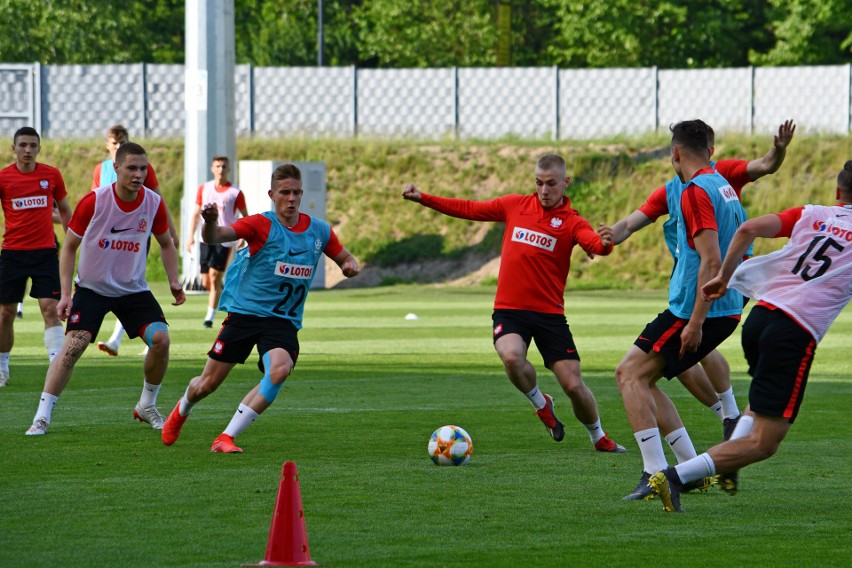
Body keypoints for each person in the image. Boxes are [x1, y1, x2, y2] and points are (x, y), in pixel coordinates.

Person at [648, 160, 852, 513]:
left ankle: (728, 465)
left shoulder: (814, 212)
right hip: (794, 332)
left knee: (758, 408)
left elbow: (748, 230)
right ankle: (675, 477)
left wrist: (725, 279)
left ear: (838, 193)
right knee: (766, 442)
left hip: (760, 318)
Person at [608, 120, 795, 498]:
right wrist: (610, 235)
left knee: (629, 374)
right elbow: (634, 221)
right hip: (721, 304)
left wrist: (693, 322)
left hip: (697, 306)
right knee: (643, 378)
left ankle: (658, 471)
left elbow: (710, 263)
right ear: (706, 150)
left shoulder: (699, 189)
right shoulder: (720, 186)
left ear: (675, 153)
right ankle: (688, 468)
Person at [402, 154, 627, 453]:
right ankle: (541, 403)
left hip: (550, 315)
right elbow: (471, 209)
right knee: (510, 356)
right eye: (538, 183)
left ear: (565, 182)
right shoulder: (515, 205)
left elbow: (593, 244)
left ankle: (598, 436)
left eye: (551, 183)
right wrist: (424, 199)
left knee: (573, 385)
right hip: (511, 310)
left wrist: (606, 243)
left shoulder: (572, 222)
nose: (544, 190)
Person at [161, 163, 359, 453]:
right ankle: (181, 410)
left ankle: (225, 437)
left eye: (296, 193)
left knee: (279, 371)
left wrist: (349, 265)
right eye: (284, 193)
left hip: (282, 321)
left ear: (302, 194)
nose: (291, 198)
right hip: (245, 315)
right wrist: (212, 222)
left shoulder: (319, 231)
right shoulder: (259, 224)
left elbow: (344, 257)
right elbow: (214, 237)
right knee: (207, 384)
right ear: (272, 194)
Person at [25, 142, 185, 435]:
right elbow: (70, 247)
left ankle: (146, 405)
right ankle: (42, 416)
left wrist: (174, 279)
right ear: (117, 168)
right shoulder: (95, 201)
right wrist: (66, 294)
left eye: (143, 168)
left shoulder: (153, 202)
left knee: (161, 339)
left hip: (133, 290)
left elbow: (166, 243)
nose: (138, 174)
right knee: (74, 345)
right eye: (132, 168)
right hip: (92, 288)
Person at [93, 124, 179, 356]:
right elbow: (95, 204)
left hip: (136, 235)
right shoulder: (101, 169)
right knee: (105, 282)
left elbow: (157, 200)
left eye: (123, 143)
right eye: (115, 144)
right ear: (108, 146)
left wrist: (171, 230)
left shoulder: (143, 169)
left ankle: (118, 338)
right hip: (107, 239)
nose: (119, 146)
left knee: (130, 280)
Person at [0, 127, 73, 388]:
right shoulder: (4, 178)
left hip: (44, 253)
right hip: (12, 254)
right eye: (23, 145)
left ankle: (55, 364)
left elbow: (65, 210)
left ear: (39, 148)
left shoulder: (51, 175)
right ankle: (2, 367)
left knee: (51, 309)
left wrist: (72, 244)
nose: (28, 150)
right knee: (5, 314)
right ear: (14, 149)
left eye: (33, 145)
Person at [185, 155, 248, 328]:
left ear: (228, 169)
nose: (221, 169)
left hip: (225, 239)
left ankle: (209, 318)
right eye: (217, 166)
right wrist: (190, 237)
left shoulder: (235, 192)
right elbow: (196, 213)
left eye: (223, 166)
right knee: (206, 281)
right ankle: (221, 290)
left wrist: (242, 236)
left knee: (214, 277)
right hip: (205, 238)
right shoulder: (204, 189)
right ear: (213, 169)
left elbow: (246, 216)